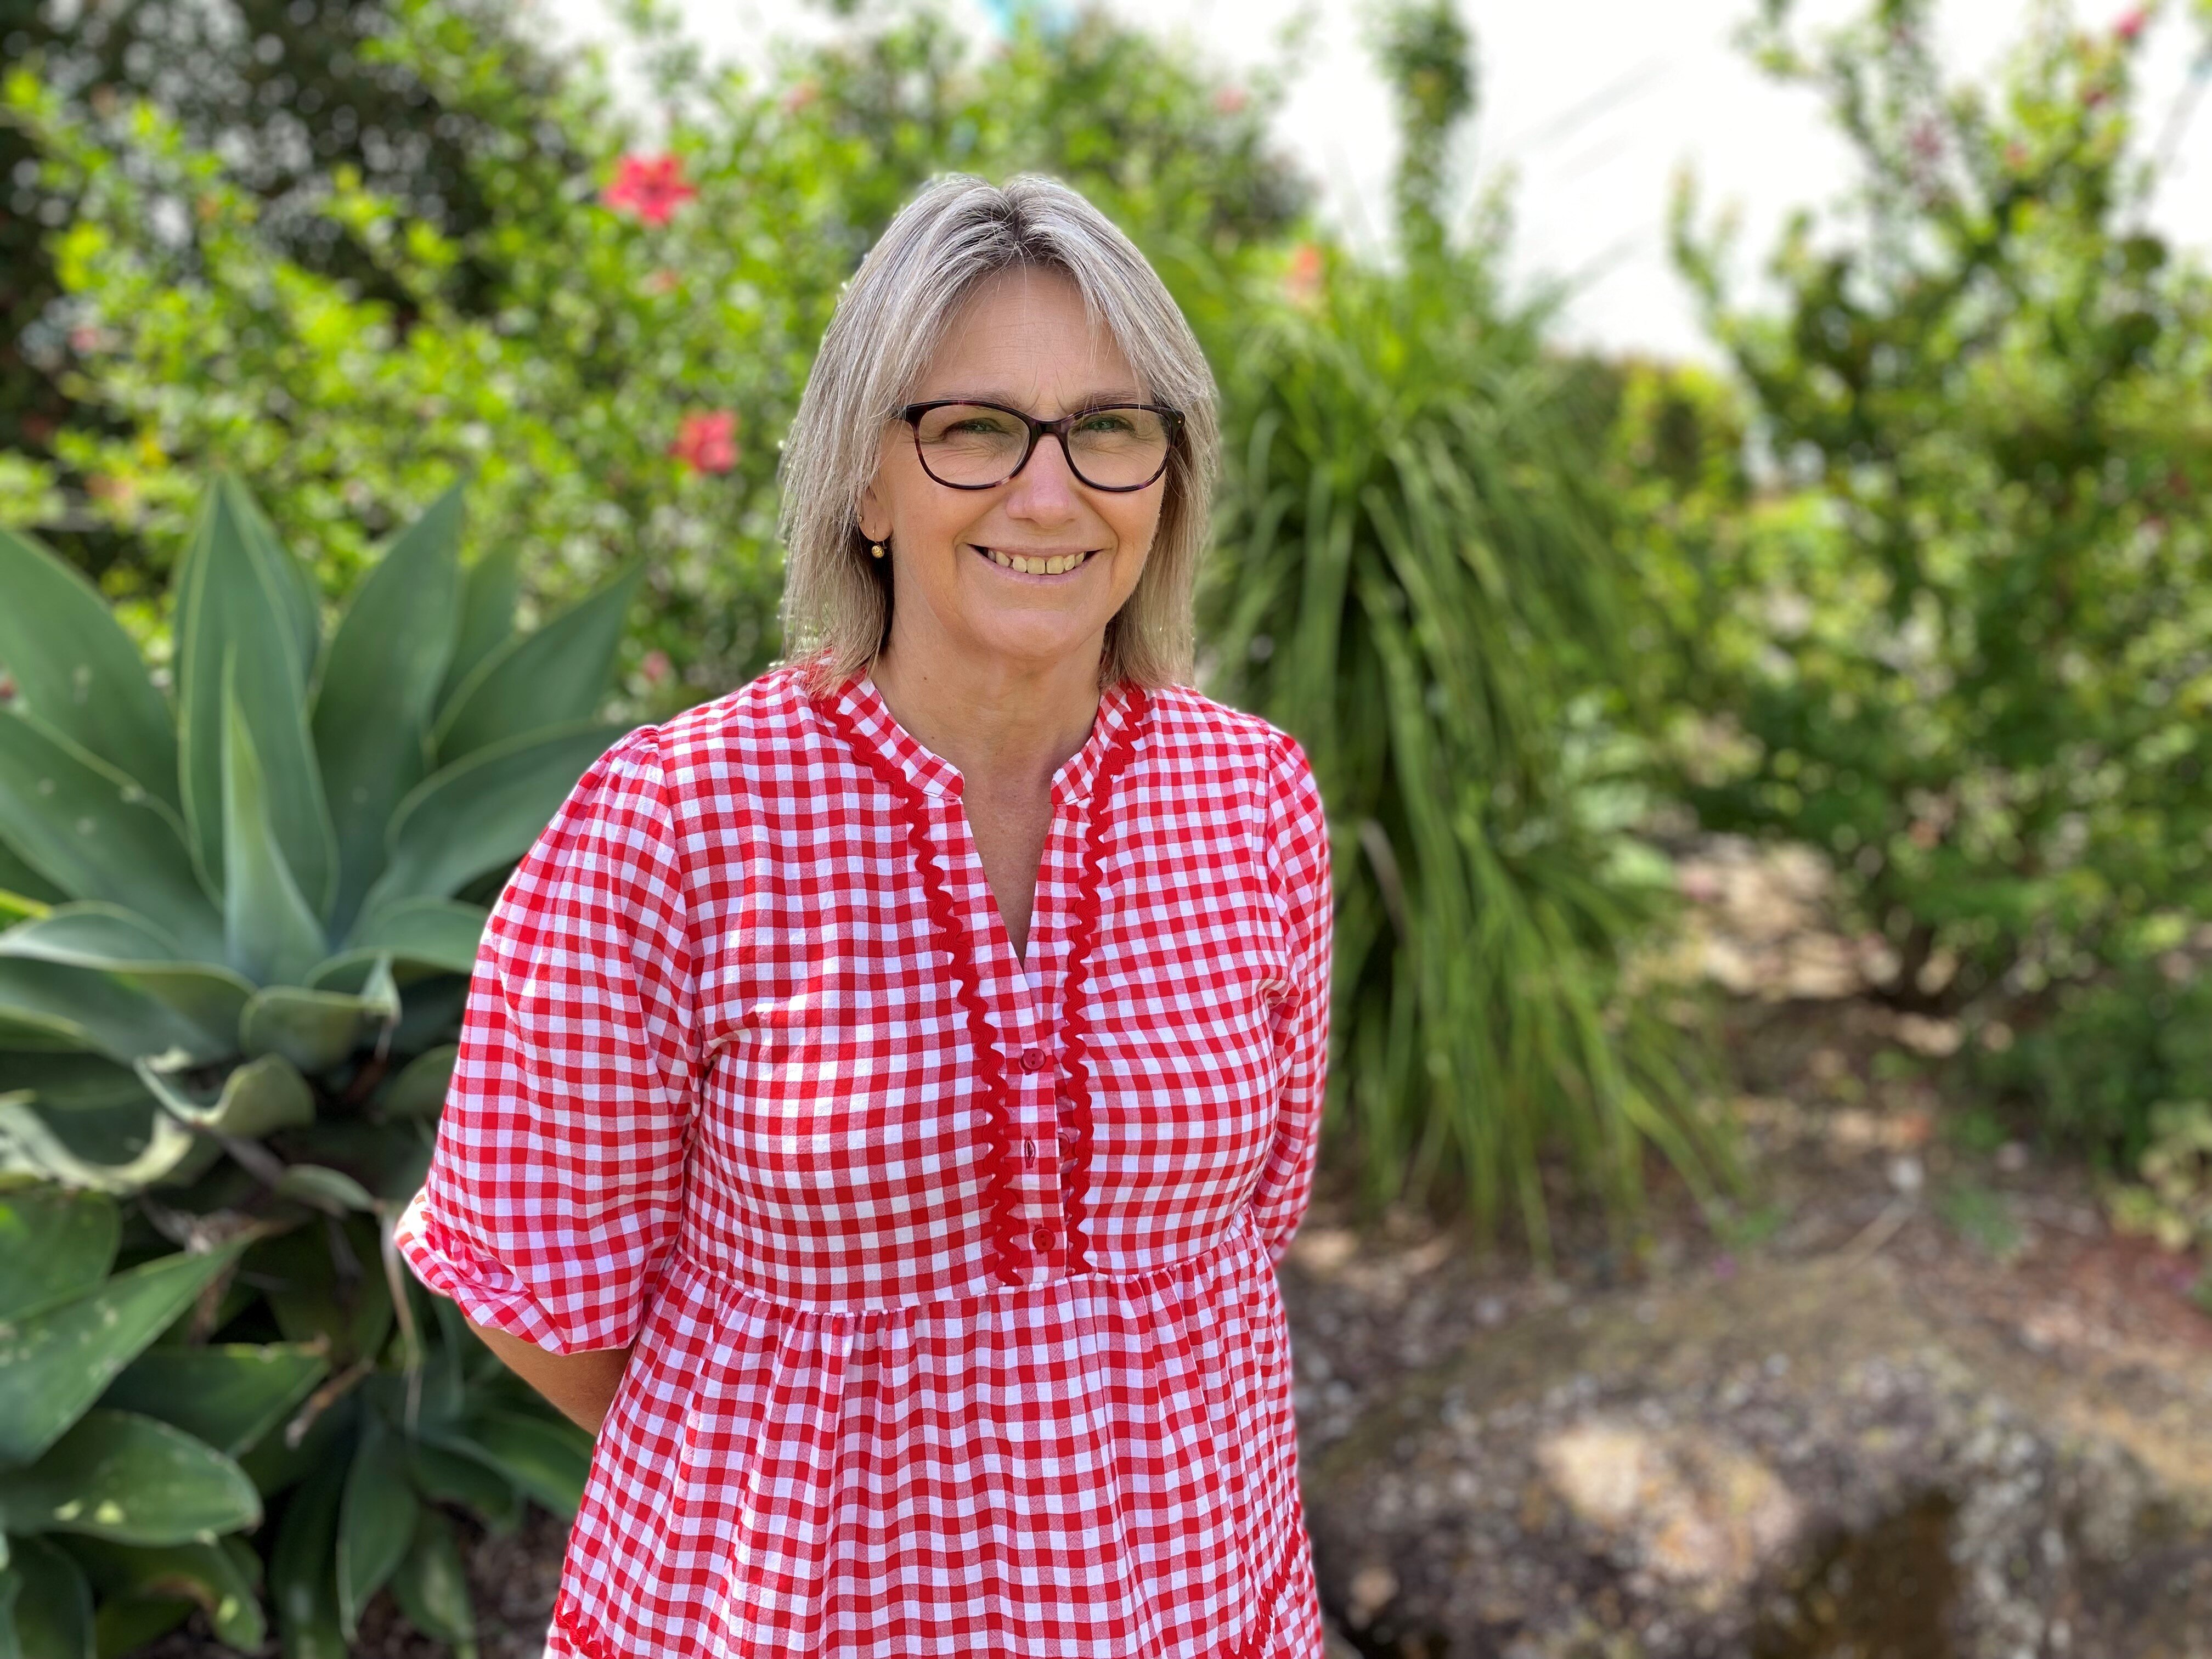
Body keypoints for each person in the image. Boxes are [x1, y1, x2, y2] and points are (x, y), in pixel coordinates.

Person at [396, 172, 1334, 1658]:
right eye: (974, 427)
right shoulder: (675, 822)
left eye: (1109, 426)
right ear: (865, 483)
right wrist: (795, 1443)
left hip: (1192, 1607)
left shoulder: (1255, 800)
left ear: (1168, 476)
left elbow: (1247, 1231)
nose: (1051, 493)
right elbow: (533, 1281)